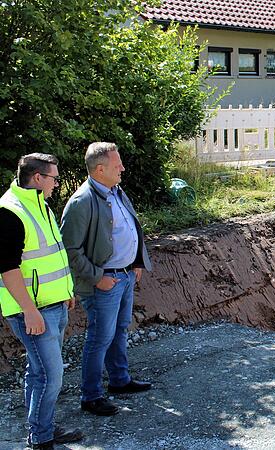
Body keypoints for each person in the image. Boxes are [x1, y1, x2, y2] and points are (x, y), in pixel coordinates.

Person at [61, 142, 153, 416]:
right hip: (105, 282)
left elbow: (131, 225)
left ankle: (119, 381)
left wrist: (135, 260)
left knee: (119, 330)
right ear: (100, 169)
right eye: (117, 165)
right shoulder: (82, 202)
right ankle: (90, 396)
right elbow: (71, 250)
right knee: (100, 337)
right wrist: (98, 278)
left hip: (123, 277)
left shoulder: (116, 190)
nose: (123, 168)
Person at [0, 154, 84, 449]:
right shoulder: (10, 211)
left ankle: (43, 426)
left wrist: (66, 290)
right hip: (34, 311)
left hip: (54, 304)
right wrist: (29, 311)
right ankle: (40, 436)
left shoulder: (40, 205)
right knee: (52, 375)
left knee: (39, 371)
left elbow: (53, 254)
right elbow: (8, 269)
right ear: (38, 178)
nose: (57, 184)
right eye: (54, 178)